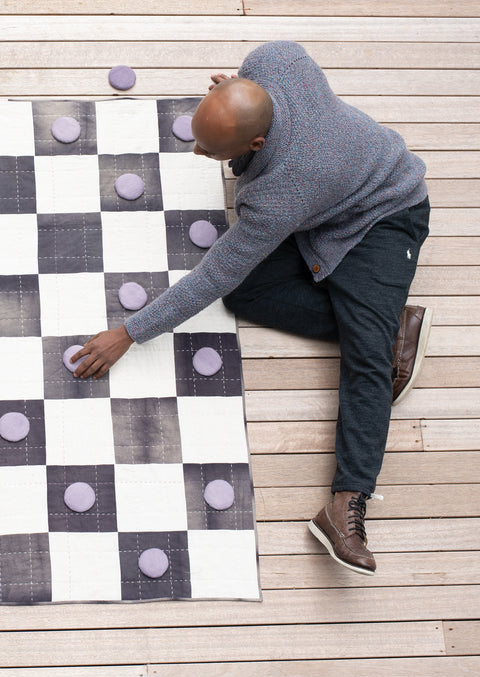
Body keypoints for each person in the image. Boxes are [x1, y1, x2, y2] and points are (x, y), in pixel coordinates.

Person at [72, 41, 432, 576]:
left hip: (384, 216)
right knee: (248, 294)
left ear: (258, 140)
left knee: (367, 365)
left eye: (210, 151)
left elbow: (213, 274)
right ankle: (383, 328)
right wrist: (230, 95)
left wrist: (129, 332)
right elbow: (233, 279)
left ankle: (346, 503)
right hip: (322, 209)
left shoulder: (278, 196)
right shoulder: (275, 59)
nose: (198, 155)